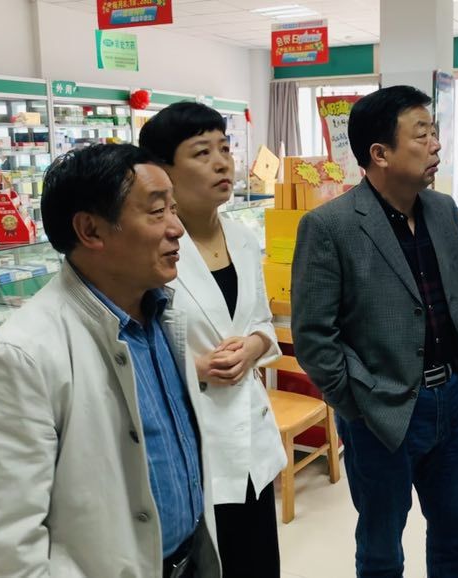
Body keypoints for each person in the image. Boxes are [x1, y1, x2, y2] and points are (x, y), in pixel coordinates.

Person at [0, 144, 221, 578]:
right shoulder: (20, 357)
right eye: (157, 211)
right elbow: (1, 549)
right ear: (91, 230)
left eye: (174, 209)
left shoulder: (162, 313)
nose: (177, 228)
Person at [291, 85, 458, 578]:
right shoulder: (330, 226)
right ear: (380, 154)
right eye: (421, 134)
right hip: (381, 409)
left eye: (435, 132)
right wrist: (357, 404)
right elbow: (314, 336)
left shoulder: (443, 209)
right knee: (382, 549)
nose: (436, 144)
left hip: (455, 398)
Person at [139, 102, 286, 578]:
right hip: (191, 440)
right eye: (202, 153)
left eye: (225, 148)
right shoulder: (151, 252)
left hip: (251, 439)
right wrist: (195, 369)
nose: (223, 163)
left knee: (258, 562)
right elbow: (133, 350)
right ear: (163, 171)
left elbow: (260, 320)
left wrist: (255, 346)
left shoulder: (241, 237)